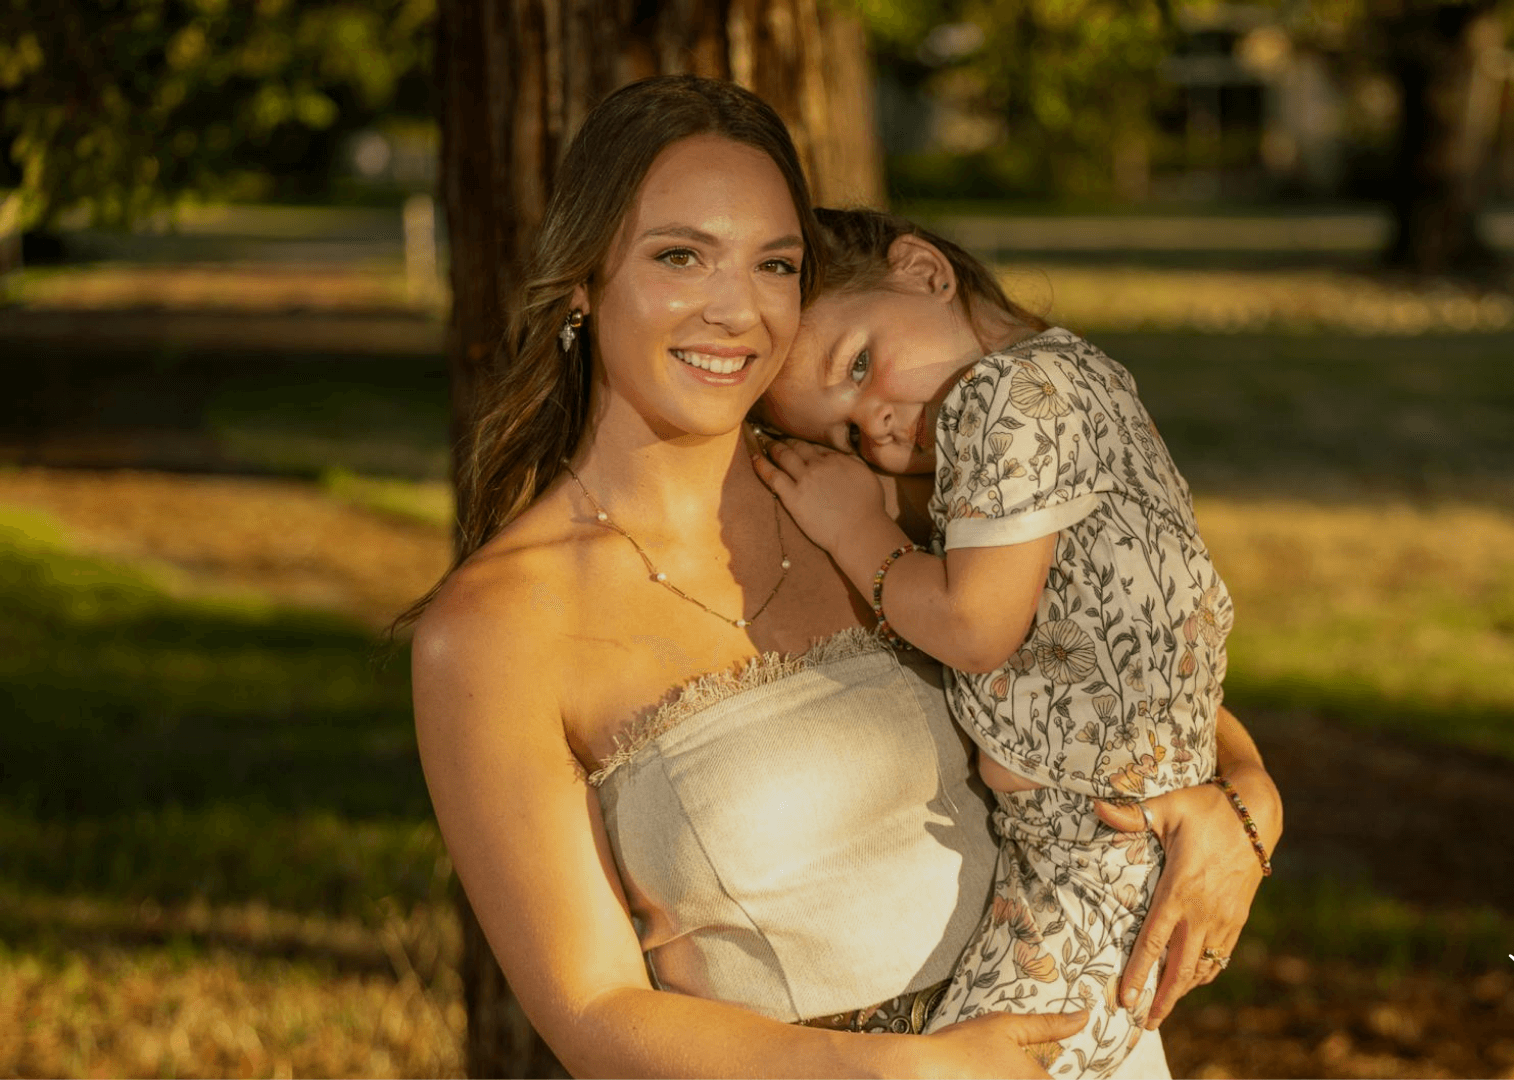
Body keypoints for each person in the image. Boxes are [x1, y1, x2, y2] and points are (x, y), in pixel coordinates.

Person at [408, 75, 1280, 1079]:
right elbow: (594, 1014)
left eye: (774, 264)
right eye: (681, 255)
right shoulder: (495, 630)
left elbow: (1133, 667)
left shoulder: (869, 499)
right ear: (583, 281)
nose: (735, 309)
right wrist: (906, 1073)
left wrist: (1247, 808)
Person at [754, 209, 1260, 1077]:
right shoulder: (1085, 374)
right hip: (1127, 838)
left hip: (1088, 844)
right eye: (842, 432)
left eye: (861, 365)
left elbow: (977, 630)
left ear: (923, 270)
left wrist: (857, 536)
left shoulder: (1000, 399)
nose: (875, 425)